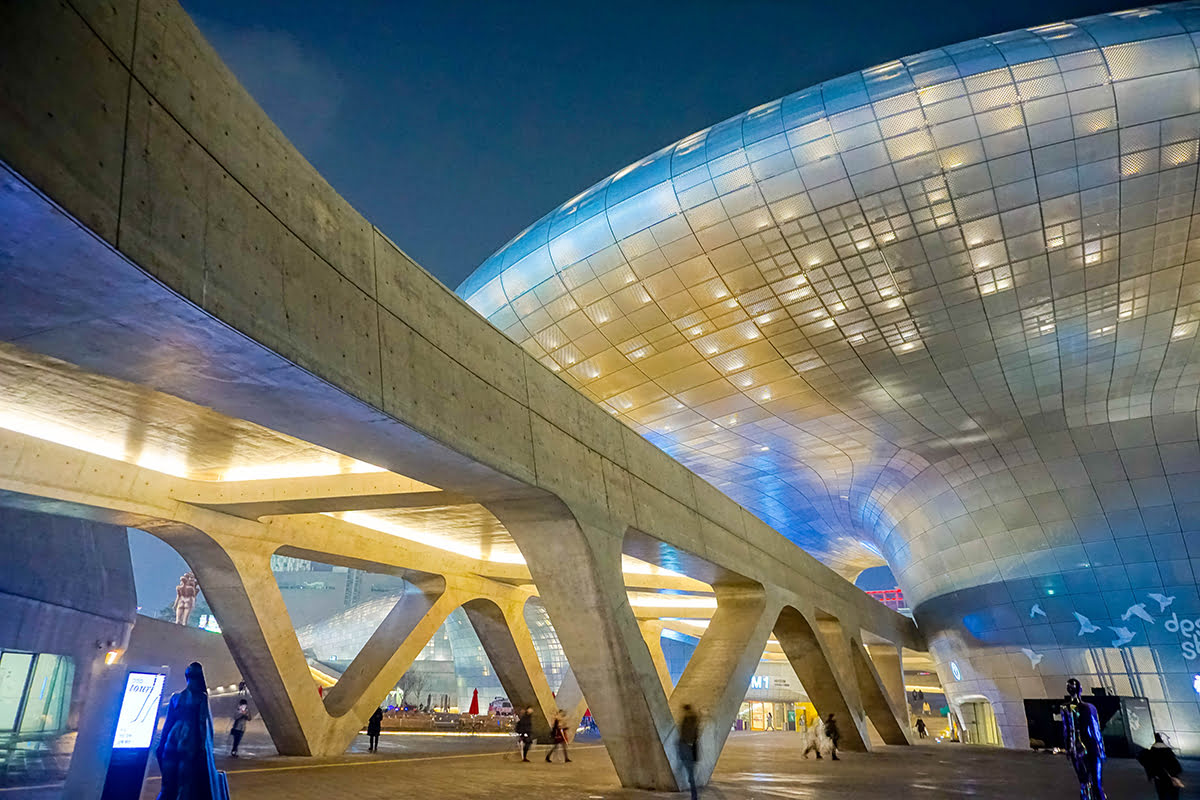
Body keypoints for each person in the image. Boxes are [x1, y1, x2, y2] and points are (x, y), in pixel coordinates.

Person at [156, 661, 225, 800]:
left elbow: (168, 723)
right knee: (184, 784)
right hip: (189, 742)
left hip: (172, 739)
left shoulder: (175, 697)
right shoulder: (201, 697)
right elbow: (201, 724)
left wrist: (160, 745)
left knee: (167, 784)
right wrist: (202, 750)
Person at [1062, 677, 1106, 800]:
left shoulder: (1065, 708)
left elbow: (1067, 730)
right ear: (1081, 689)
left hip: (1077, 747)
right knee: (1096, 785)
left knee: (1084, 783)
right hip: (1092, 746)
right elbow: (1096, 729)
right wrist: (1101, 749)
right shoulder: (1090, 707)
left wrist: (1068, 748)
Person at [1138, 733, 1184, 800]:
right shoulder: (1168, 752)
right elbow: (1176, 766)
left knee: (1162, 795)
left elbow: (1149, 766)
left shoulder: (1151, 753)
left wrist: (1151, 776)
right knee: (1173, 795)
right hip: (1172, 776)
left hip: (1159, 778)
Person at [678, 704, 700, 800]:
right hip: (689, 747)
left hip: (687, 747)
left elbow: (687, 735)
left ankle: (694, 796)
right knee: (689, 770)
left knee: (690, 773)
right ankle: (693, 794)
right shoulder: (694, 720)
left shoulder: (688, 720)